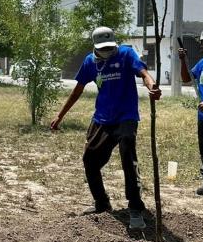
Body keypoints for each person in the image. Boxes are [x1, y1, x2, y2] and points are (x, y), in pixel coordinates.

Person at [50, 27, 161, 230]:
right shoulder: (90, 62)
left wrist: (151, 86)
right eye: (103, 48)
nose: (108, 50)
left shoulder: (126, 53)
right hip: (101, 118)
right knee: (89, 160)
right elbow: (77, 90)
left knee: (129, 159)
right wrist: (60, 115)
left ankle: (135, 208)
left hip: (126, 117)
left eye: (110, 47)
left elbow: (144, 73)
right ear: (95, 47)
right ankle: (102, 203)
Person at [178, 28, 203, 196]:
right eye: (202, 42)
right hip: (202, 115)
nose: (202, 45)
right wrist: (183, 60)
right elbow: (187, 78)